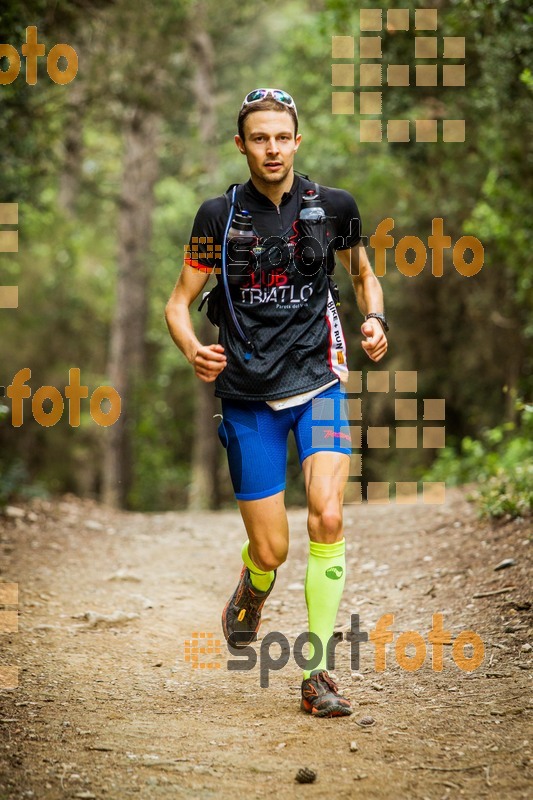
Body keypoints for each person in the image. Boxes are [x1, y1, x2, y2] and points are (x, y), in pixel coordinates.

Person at [165, 88, 388, 717]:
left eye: (281, 137)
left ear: (297, 140)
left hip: (319, 384)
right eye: (259, 138)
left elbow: (364, 274)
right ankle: (253, 584)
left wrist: (374, 319)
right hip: (247, 398)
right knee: (273, 550)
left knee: (329, 517)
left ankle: (317, 673)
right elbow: (177, 304)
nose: (271, 148)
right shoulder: (217, 216)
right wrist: (191, 349)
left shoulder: (333, 207)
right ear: (242, 145)